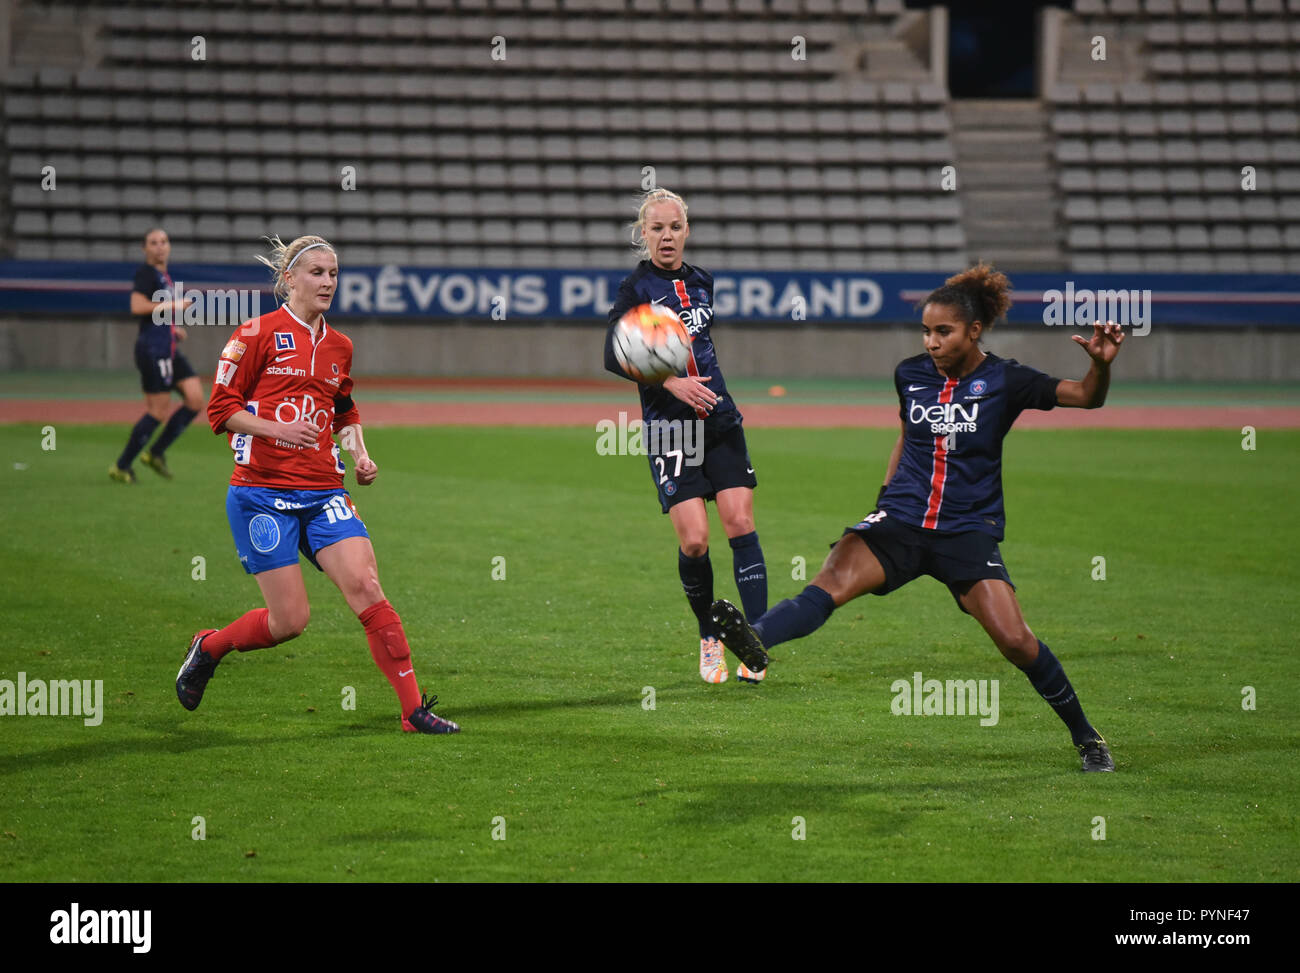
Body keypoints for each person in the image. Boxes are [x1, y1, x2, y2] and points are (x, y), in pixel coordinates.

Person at [711, 263, 1122, 771]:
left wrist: (1100, 366)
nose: (931, 341)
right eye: (926, 331)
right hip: (901, 521)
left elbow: (1086, 397)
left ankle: (1087, 737)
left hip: (967, 531)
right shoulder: (910, 375)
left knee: (1016, 641)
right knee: (830, 581)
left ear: (974, 331)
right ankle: (756, 640)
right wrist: (884, 498)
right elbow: (908, 435)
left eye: (943, 331)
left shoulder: (1007, 380)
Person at [175, 234, 459, 734]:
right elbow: (220, 410)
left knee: (368, 589)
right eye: (316, 272)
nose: (328, 281)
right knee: (289, 622)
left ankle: (413, 712)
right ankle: (210, 646)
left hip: (324, 491)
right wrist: (277, 429)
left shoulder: (339, 345)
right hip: (260, 492)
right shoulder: (253, 335)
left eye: (333, 273)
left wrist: (361, 454)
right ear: (289, 278)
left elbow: (344, 410)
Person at [604, 188, 768, 684]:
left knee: (740, 522)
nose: (667, 236)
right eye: (656, 228)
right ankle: (708, 637)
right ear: (643, 233)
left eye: (674, 227)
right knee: (696, 542)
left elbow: (701, 343)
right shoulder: (634, 289)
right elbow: (613, 354)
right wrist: (670, 381)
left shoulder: (702, 282)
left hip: (719, 419)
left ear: (686, 230)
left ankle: (756, 639)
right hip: (670, 429)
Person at [109, 227, 204, 482]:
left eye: (163, 241)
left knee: (195, 399)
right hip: (152, 351)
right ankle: (122, 465)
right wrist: (175, 305)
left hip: (167, 347)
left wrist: (172, 329)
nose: (160, 246)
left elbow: (155, 315)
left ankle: (156, 452)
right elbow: (137, 306)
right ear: (145, 249)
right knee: (158, 411)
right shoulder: (146, 274)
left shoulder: (164, 277)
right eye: (153, 242)